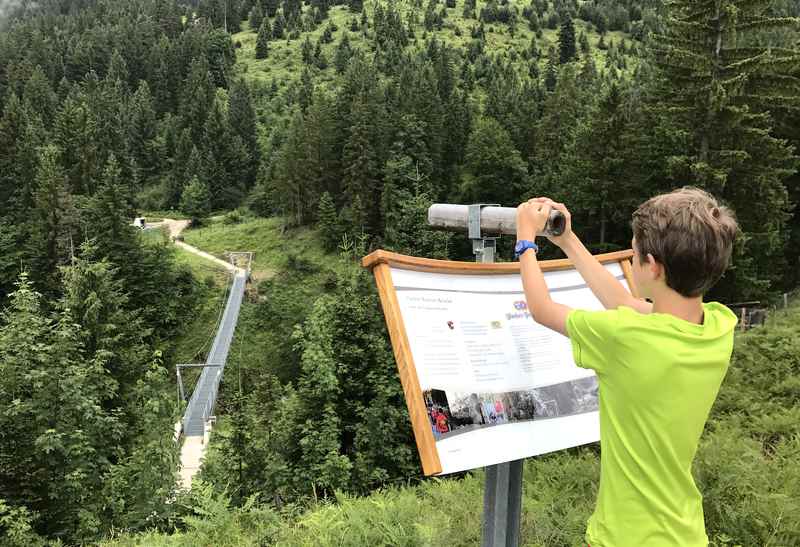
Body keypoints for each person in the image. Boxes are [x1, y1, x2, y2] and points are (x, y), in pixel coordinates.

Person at [515, 188, 739, 547]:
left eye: (633, 254)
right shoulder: (717, 327)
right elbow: (622, 302)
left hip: (624, 535)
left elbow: (541, 308)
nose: (631, 262)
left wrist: (525, 239)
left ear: (652, 266)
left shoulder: (626, 338)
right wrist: (568, 240)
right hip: (685, 533)